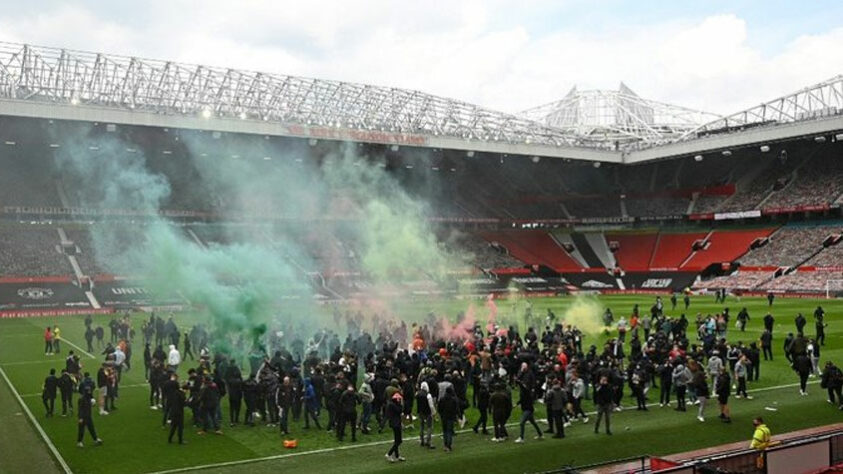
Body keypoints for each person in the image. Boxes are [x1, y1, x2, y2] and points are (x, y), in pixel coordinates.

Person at [76, 378, 103, 448]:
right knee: (81, 430)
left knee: (91, 428)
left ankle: (95, 439)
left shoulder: (88, 399)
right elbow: (80, 409)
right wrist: (80, 418)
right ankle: (79, 442)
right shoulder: (82, 399)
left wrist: (93, 404)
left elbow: (89, 406)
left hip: (88, 416)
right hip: (83, 417)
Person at [515, 379, 543, 443]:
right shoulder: (524, 392)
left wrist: (519, 382)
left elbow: (522, 387)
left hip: (527, 410)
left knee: (522, 423)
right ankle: (540, 434)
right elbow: (521, 399)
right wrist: (516, 404)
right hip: (528, 409)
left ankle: (521, 438)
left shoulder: (526, 391)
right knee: (533, 422)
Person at [385, 392, 405, 462]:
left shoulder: (390, 404)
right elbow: (400, 411)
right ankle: (389, 454)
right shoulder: (394, 405)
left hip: (394, 423)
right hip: (396, 424)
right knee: (399, 441)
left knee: (397, 440)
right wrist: (401, 404)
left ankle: (397, 455)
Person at [438, 386, 459, 452]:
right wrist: (456, 416)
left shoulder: (442, 399)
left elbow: (439, 408)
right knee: (449, 431)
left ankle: (445, 445)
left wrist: (441, 415)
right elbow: (456, 409)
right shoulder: (453, 400)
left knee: (445, 431)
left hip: (444, 417)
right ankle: (449, 445)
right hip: (451, 417)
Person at [417, 381, 436, 448]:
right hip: (427, 412)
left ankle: (422, 441)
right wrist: (433, 412)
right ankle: (428, 442)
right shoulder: (428, 395)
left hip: (420, 412)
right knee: (429, 427)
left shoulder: (418, 394)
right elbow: (431, 405)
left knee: (421, 426)